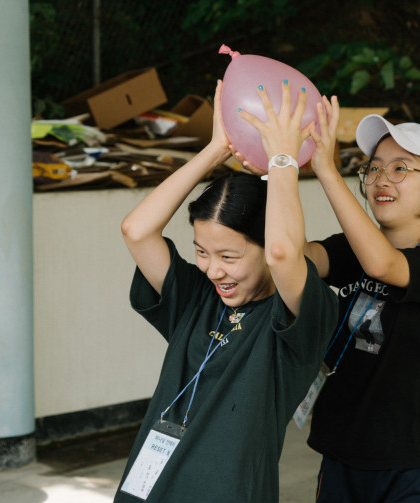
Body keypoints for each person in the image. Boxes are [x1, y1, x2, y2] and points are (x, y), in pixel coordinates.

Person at [115, 80, 338, 503]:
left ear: (264, 247)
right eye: (201, 252)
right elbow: (136, 230)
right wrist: (216, 149)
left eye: (229, 256)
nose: (213, 270)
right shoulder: (196, 297)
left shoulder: (300, 317)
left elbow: (283, 253)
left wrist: (283, 160)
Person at [243, 91, 420, 501]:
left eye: (400, 168)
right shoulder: (349, 249)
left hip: (411, 463)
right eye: (374, 168)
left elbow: (383, 265)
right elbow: (289, 255)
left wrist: (326, 170)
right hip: (341, 453)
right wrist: (277, 171)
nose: (381, 179)